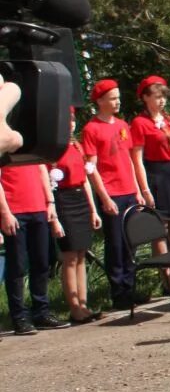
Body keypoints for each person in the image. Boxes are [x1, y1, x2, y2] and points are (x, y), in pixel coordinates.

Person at [82, 79, 140, 310]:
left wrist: (137, 190)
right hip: (112, 192)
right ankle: (119, 292)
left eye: (118, 97)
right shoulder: (91, 129)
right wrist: (104, 197)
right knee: (115, 244)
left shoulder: (123, 125)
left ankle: (131, 287)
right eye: (113, 98)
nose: (117, 101)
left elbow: (130, 160)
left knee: (130, 242)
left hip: (129, 190)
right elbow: (92, 167)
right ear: (100, 101)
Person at [129, 76, 170, 278]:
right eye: (157, 97)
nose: (161, 101)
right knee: (160, 227)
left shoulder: (169, 121)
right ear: (145, 98)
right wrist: (145, 189)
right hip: (157, 175)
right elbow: (137, 158)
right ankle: (168, 278)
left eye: (163, 97)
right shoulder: (140, 123)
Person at [49, 117, 101, 325]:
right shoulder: (51, 149)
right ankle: (74, 308)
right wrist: (53, 214)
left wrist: (93, 210)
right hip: (63, 200)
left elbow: (85, 180)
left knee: (81, 254)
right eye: (66, 119)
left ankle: (83, 304)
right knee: (70, 256)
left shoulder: (76, 145)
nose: (70, 123)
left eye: (72, 119)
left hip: (80, 199)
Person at [0, 155, 59, 334]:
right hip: (14, 210)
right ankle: (19, 317)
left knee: (41, 262)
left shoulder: (32, 146)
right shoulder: (4, 145)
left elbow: (42, 170)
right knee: (17, 267)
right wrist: (4, 213)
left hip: (38, 207)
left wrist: (50, 203)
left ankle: (41, 312)